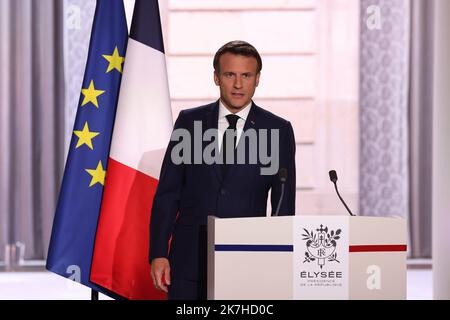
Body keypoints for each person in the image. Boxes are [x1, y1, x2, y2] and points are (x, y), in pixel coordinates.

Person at [149, 40, 296, 300]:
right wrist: (159, 252)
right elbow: (168, 193)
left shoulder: (278, 130)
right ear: (216, 77)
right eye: (230, 75)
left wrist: (279, 259)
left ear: (257, 79)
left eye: (246, 75)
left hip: (250, 260)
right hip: (188, 262)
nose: (238, 85)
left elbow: (283, 206)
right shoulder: (189, 122)